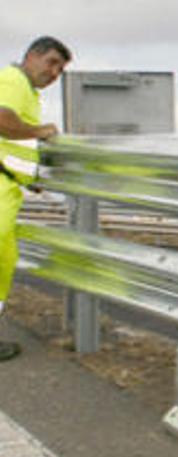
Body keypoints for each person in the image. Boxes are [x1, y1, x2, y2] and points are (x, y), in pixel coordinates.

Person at [0, 36, 72, 361]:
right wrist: (38, 131)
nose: (55, 72)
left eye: (60, 68)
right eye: (52, 62)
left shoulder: (26, 90)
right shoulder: (12, 79)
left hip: (8, 187)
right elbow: (2, 120)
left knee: (4, 262)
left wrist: (28, 178)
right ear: (31, 56)